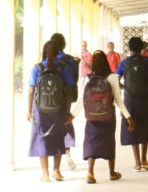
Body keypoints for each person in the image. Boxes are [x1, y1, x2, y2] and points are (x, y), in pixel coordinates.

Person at [69, 51, 134, 184]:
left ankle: (90, 173)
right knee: (109, 142)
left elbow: (82, 100)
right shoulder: (113, 77)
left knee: (91, 141)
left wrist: (72, 115)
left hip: (91, 116)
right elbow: (118, 100)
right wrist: (128, 117)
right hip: (108, 115)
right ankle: (112, 173)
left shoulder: (88, 78)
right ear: (106, 61)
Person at [27, 40, 76, 182]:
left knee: (41, 138)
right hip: (58, 109)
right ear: (58, 52)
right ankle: (57, 171)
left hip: (40, 110)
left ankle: (45, 174)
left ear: (44, 51)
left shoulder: (37, 68)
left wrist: (29, 110)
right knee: (57, 137)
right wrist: (67, 111)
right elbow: (70, 90)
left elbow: (31, 90)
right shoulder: (64, 68)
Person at [116, 37, 148, 172]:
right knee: (145, 126)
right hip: (144, 98)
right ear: (142, 48)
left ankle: (137, 163)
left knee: (132, 127)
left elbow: (116, 79)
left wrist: (124, 87)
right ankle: (145, 159)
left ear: (129, 48)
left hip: (130, 99)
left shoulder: (124, 63)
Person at [50, 33, 79, 171]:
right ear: (64, 45)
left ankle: (53, 155)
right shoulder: (69, 60)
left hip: (48, 100)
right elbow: (74, 80)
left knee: (51, 126)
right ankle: (67, 153)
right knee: (66, 122)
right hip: (65, 98)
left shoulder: (46, 59)